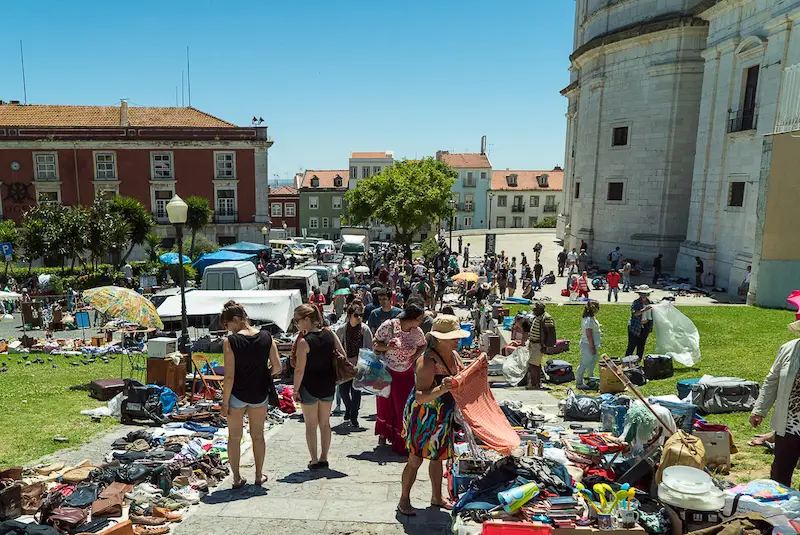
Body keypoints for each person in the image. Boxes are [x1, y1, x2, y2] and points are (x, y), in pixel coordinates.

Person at [398, 315, 471, 516]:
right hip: (423, 416)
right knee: (415, 460)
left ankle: (436, 497)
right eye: (454, 337)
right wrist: (442, 389)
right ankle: (404, 500)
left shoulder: (455, 356)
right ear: (440, 339)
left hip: (443, 416)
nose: (458, 340)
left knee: (438, 458)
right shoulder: (427, 361)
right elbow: (420, 397)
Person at [221, 301, 281, 488]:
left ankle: (237, 477)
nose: (227, 329)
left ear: (236, 320)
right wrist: (262, 375)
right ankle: (258, 474)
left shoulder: (230, 342)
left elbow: (229, 376)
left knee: (234, 437)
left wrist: (224, 402)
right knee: (258, 436)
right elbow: (277, 367)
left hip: (237, 393)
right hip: (259, 393)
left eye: (227, 324)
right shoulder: (266, 337)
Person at [750, 320, 800, 487]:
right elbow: (772, 381)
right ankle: (780, 509)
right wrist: (759, 410)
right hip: (790, 424)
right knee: (780, 472)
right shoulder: (788, 349)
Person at [292, 303, 342, 470]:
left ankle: (313, 459)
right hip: (328, 384)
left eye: (297, 320)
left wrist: (295, 390)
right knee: (325, 423)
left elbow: (299, 370)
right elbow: (342, 354)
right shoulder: (330, 334)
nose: (296, 324)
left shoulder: (304, 342)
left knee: (311, 425)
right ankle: (324, 457)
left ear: (306, 319)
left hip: (310, 386)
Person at [373, 301, 427, 453]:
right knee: (385, 405)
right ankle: (384, 434)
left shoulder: (417, 332)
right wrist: (388, 347)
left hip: (406, 373)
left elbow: (423, 345)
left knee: (403, 406)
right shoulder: (389, 326)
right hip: (387, 371)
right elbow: (375, 343)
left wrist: (415, 356)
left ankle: (401, 440)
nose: (421, 322)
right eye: (419, 319)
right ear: (412, 318)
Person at [335, 302, 373, 428]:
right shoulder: (342, 329)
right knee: (343, 391)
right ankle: (349, 408)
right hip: (345, 366)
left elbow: (369, 348)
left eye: (360, 315)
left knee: (356, 392)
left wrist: (366, 366)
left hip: (359, 365)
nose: (359, 318)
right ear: (350, 315)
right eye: (356, 315)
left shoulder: (364, 329)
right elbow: (337, 347)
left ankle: (354, 416)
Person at [527, 302, 556, 390]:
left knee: (533, 365)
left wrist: (545, 345)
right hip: (533, 343)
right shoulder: (538, 316)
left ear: (540, 309)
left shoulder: (546, 318)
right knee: (536, 364)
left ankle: (534, 384)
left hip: (538, 344)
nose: (533, 310)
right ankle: (537, 383)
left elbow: (550, 333)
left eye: (535, 309)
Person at [577, 300, 601, 389]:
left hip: (592, 345)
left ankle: (590, 379)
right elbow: (589, 335)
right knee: (584, 363)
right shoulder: (588, 320)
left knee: (592, 363)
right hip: (588, 345)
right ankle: (579, 382)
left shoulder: (591, 318)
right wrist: (592, 347)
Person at [626, 286, 653, 358]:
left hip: (645, 327)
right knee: (631, 346)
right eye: (642, 294)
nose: (644, 296)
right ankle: (627, 363)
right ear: (639, 294)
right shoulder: (636, 303)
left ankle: (637, 363)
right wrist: (644, 309)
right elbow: (635, 313)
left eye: (646, 294)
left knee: (641, 346)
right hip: (635, 327)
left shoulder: (651, 303)